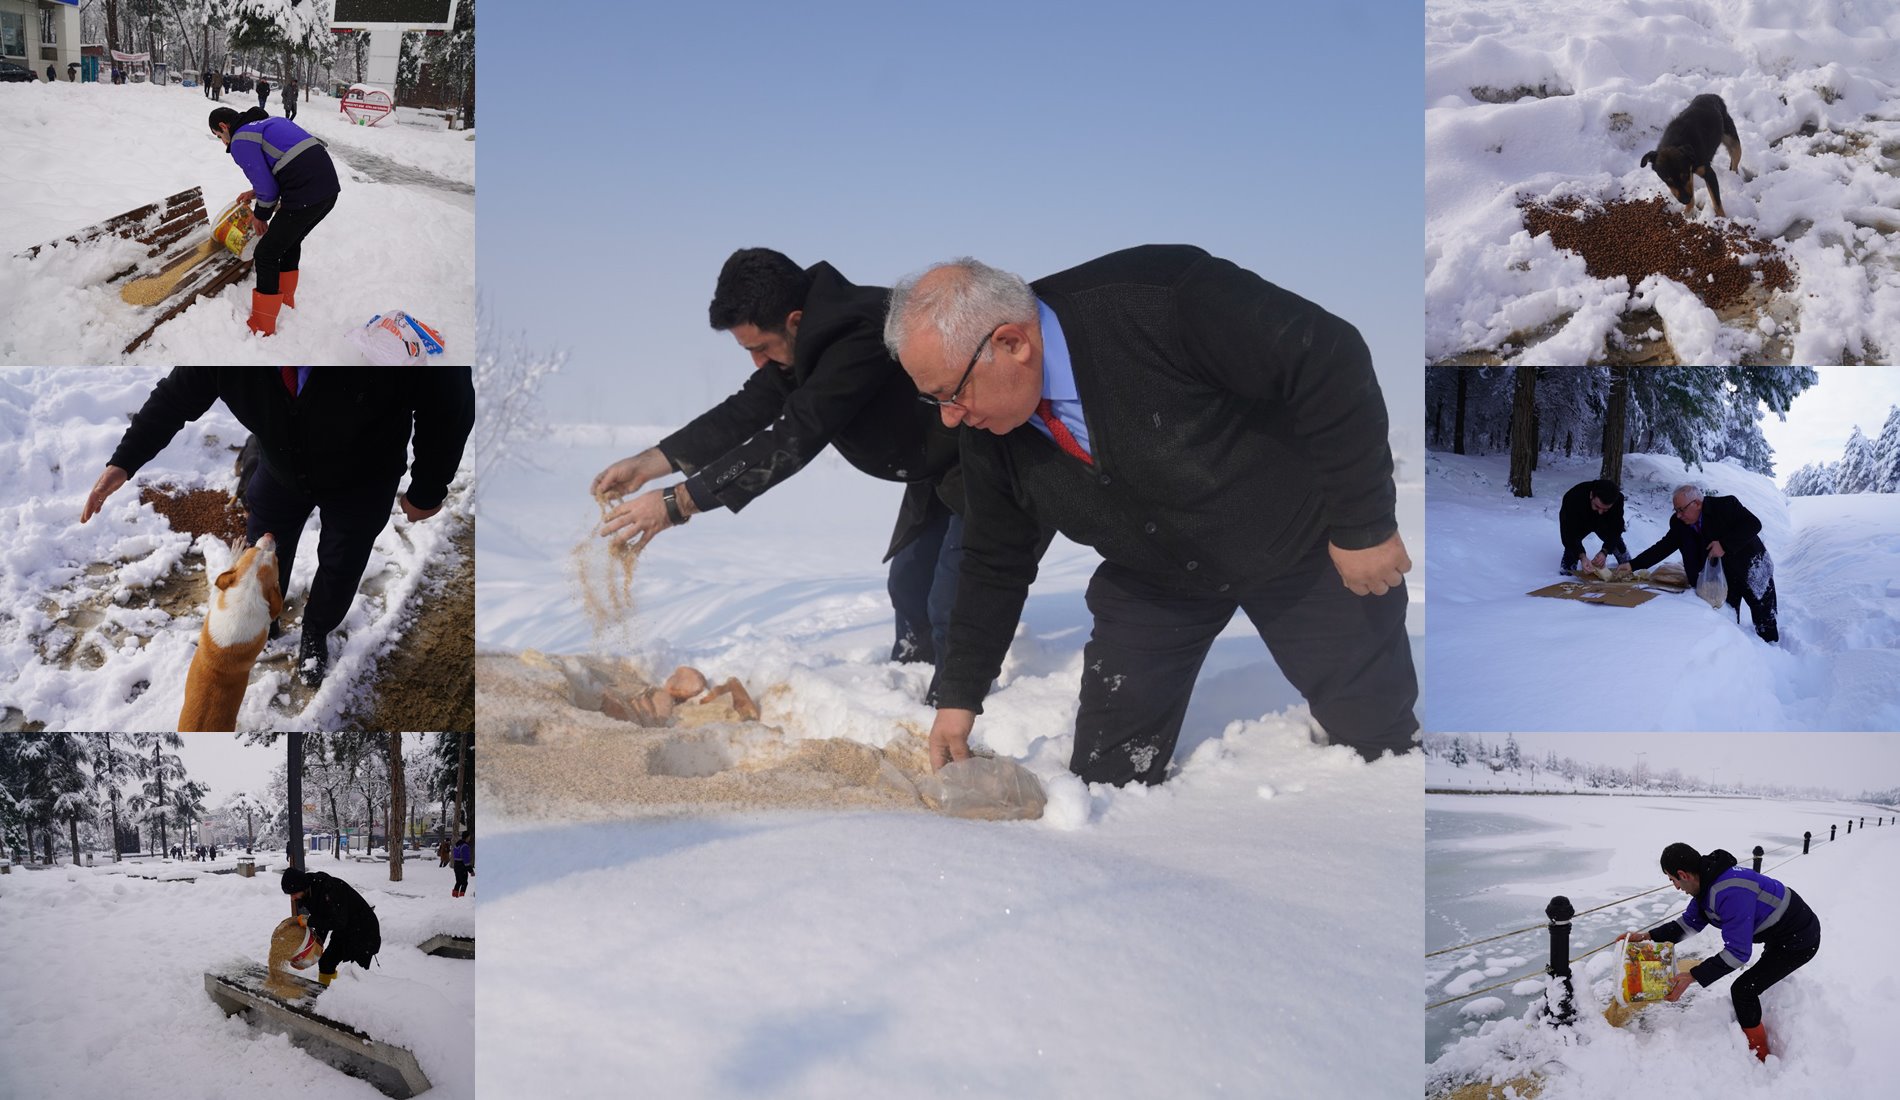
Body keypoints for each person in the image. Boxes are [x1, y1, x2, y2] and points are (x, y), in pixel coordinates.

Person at [884, 248, 1417, 785]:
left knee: (1378, 741)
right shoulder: (990, 427)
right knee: (1109, 774)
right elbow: (995, 557)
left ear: (1011, 343)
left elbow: (1327, 356)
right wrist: (959, 695)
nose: (951, 417)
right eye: (936, 402)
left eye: (951, 393)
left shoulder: (1163, 299)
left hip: (1298, 542)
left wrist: (1362, 523)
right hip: (1155, 576)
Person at [593, 248, 963, 683]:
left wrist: (678, 503)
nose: (757, 362)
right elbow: (746, 409)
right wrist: (650, 463)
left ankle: (959, 701)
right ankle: (914, 681)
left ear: (793, 320)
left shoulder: (859, 333)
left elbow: (794, 435)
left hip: (982, 459)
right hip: (933, 471)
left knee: (955, 593)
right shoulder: (806, 343)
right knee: (911, 586)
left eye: (760, 348)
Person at [81, 367, 476, 688]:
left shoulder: (378, 331)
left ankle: (316, 631)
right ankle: (264, 620)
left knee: (341, 563)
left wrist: (427, 487)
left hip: (364, 475)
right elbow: (174, 397)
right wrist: (124, 460)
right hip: (281, 466)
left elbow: (448, 400)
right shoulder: (230, 342)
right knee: (262, 552)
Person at [1626, 842, 1819, 1061]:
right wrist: (1647, 936)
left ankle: (1762, 1057)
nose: (1675, 887)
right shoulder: (1707, 885)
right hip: (1781, 932)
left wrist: (1692, 976)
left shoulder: (1729, 891)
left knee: (1744, 990)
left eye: (1673, 880)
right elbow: (1687, 926)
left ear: (1683, 874)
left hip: (1800, 939)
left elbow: (1738, 953)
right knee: (1752, 982)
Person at [206, 105, 341, 336]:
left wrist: (261, 215)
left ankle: (263, 323)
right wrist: (255, 193)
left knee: (266, 253)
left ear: (223, 126)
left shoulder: (241, 140)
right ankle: (286, 300)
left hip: (305, 193)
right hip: (327, 191)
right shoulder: (269, 124)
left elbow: (269, 185)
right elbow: (284, 164)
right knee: (289, 241)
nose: (223, 143)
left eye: (219, 137)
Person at [1621, 484, 1778, 642]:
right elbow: (1663, 547)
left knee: (1763, 612)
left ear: (1697, 503)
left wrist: (1724, 545)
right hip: (1723, 575)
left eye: (1681, 509)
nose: (1679, 515)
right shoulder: (1679, 524)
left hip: (1752, 565)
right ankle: (1736, 646)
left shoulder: (1725, 506)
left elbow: (1753, 524)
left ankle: (1769, 647)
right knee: (1727, 613)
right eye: (1676, 510)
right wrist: (1633, 565)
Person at [281, 865, 380, 987]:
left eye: (293, 893)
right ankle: (326, 997)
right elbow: (323, 919)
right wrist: (315, 946)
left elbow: (337, 921)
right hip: (344, 929)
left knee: (356, 974)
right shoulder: (309, 894)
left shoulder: (330, 889)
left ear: (302, 886)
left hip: (364, 931)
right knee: (326, 962)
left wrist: (309, 921)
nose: (292, 898)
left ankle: (354, 1003)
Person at [1558, 479, 1629, 574]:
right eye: (1597, 506)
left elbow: (1616, 528)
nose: (1600, 512)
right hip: (1580, 521)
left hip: (1603, 522)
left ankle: (1625, 559)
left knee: (1614, 539)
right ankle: (1568, 567)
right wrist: (1582, 556)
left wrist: (1604, 551)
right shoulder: (1573, 498)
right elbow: (1568, 532)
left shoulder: (1617, 499)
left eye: (1605, 509)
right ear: (1591, 495)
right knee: (1572, 546)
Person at [450, 831, 472, 898]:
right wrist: (471, 871)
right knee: (464, 883)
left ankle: (454, 896)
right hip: (462, 866)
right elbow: (466, 860)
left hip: (456, 865)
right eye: (469, 837)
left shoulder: (457, 845)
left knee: (458, 881)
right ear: (467, 837)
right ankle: (461, 898)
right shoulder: (465, 846)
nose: (470, 838)